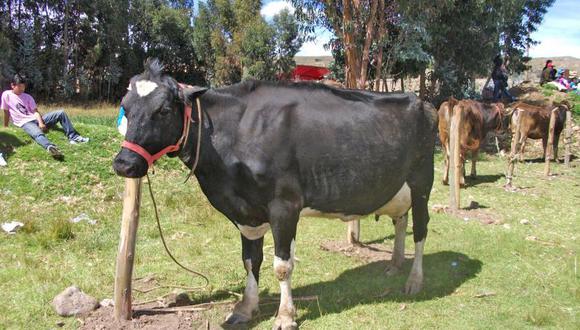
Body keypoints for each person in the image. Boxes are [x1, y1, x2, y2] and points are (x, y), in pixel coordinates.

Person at [1, 74, 88, 159]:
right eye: (19, 87)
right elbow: (6, 112)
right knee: (37, 133)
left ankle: (73, 137)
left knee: (61, 113)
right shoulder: (6, 95)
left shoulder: (28, 97)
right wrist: (5, 127)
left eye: (23, 87)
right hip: (24, 122)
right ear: (12, 85)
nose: (22, 89)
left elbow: (35, 112)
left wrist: (41, 123)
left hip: (36, 118)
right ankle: (50, 147)